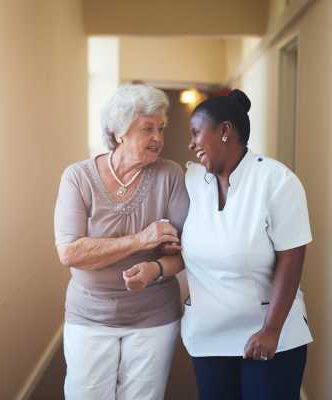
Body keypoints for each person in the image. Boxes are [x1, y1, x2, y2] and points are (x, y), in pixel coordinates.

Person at [54, 84, 189, 400]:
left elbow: (184, 253)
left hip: (154, 315)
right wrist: (143, 239)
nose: (158, 137)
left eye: (160, 128)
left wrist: (155, 268)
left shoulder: (169, 176)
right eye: (147, 128)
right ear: (118, 133)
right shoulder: (79, 178)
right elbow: (70, 252)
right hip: (89, 314)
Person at [181, 89, 313, 400]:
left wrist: (272, 329)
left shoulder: (277, 181)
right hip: (209, 338)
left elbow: (292, 259)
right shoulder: (192, 182)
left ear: (225, 131)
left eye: (196, 133)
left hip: (267, 337)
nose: (191, 144)